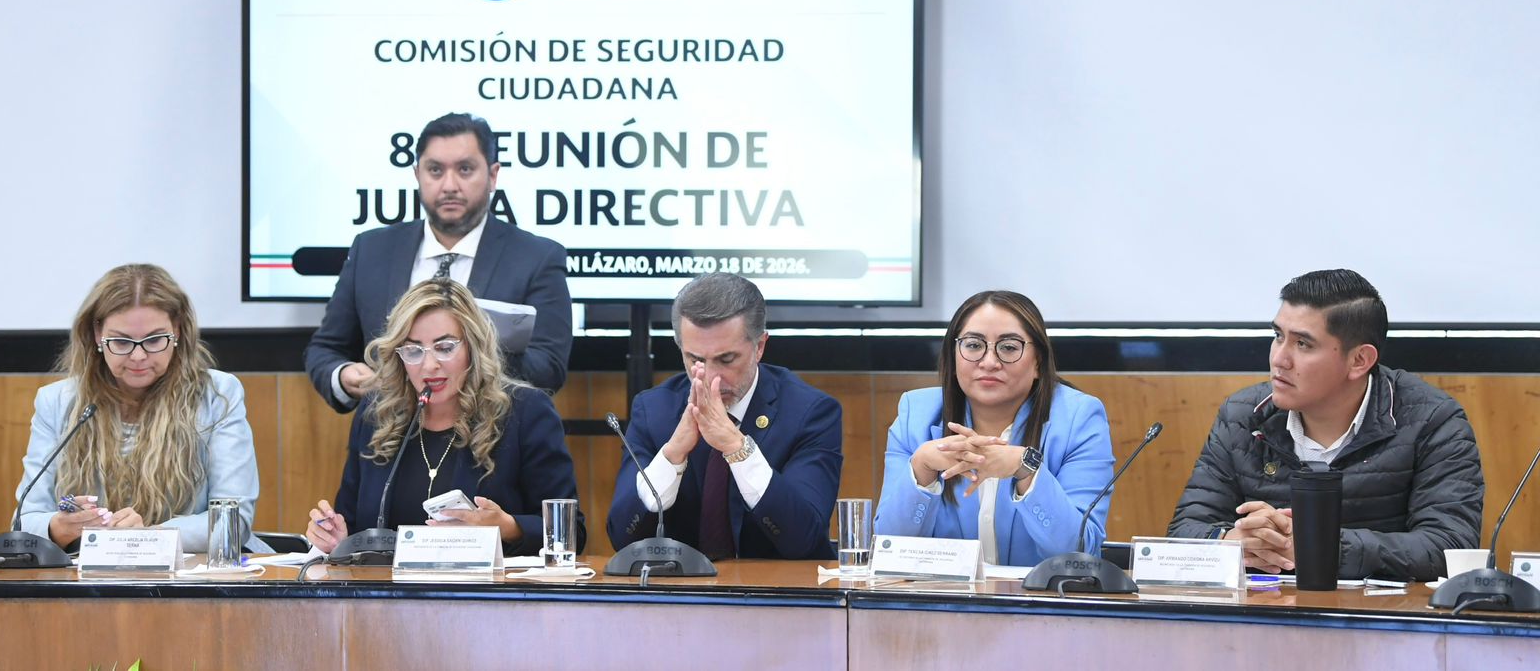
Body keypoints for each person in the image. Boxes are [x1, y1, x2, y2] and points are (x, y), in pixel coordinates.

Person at [1169, 269, 1484, 581]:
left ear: (1359, 360)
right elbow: (1184, 531)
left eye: (1303, 344)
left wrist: (1322, 548)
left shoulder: (1432, 422)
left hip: (1380, 612)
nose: (1279, 359)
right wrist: (1233, 542)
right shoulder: (1243, 416)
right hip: (1267, 607)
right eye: (1278, 336)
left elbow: (1449, 547)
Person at [305, 112, 573, 413]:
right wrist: (342, 376)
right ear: (417, 175)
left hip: (494, 434)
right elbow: (326, 350)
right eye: (435, 170)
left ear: (493, 175)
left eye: (465, 169)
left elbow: (549, 368)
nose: (449, 185)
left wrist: (463, 355)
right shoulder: (371, 250)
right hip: (389, 436)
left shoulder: (536, 257)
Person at [305, 277, 582, 555]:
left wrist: (507, 527)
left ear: (473, 347)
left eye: (445, 347)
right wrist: (337, 539)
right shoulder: (376, 415)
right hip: (388, 584)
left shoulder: (526, 412)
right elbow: (353, 524)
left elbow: (571, 533)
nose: (429, 365)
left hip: (487, 583)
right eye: (413, 350)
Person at [16, 264, 259, 554]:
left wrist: (146, 538)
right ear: (97, 335)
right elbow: (25, 519)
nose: (138, 356)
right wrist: (58, 527)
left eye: (154, 340)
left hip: (192, 572)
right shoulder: (56, 402)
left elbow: (233, 522)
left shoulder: (217, 395)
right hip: (89, 573)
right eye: (121, 342)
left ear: (177, 330)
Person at [606, 273, 842, 560]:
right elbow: (622, 537)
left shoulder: (811, 413)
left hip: (775, 586)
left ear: (759, 346)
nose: (711, 377)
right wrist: (672, 455)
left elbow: (804, 540)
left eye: (727, 359)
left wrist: (737, 448)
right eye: (695, 359)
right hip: (680, 587)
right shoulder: (654, 411)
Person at [873, 291, 1116, 565]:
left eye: (1009, 347)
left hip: (1039, 593)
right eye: (973, 345)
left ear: (1038, 362)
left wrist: (1027, 470)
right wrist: (921, 470)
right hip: (944, 593)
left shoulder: (1078, 419)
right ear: (953, 358)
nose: (989, 362)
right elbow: (887, 549)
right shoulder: (916, 416)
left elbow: (1079, 553)